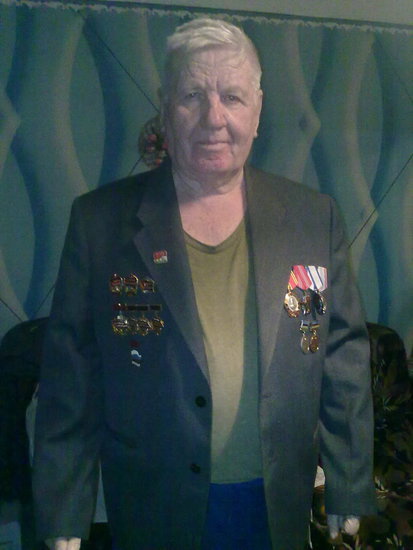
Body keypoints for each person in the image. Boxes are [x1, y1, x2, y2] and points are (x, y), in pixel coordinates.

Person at [32, 17, 376, 550]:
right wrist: (63, 513)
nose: (214, 117)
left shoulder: (312, 220)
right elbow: (69, 381)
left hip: (274, 500)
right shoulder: (100, 224)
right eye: (193, 95)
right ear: (167, 108)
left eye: (232, 97)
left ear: (257, 112)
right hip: (154, 505)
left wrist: (348, 482)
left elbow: (339, 355)